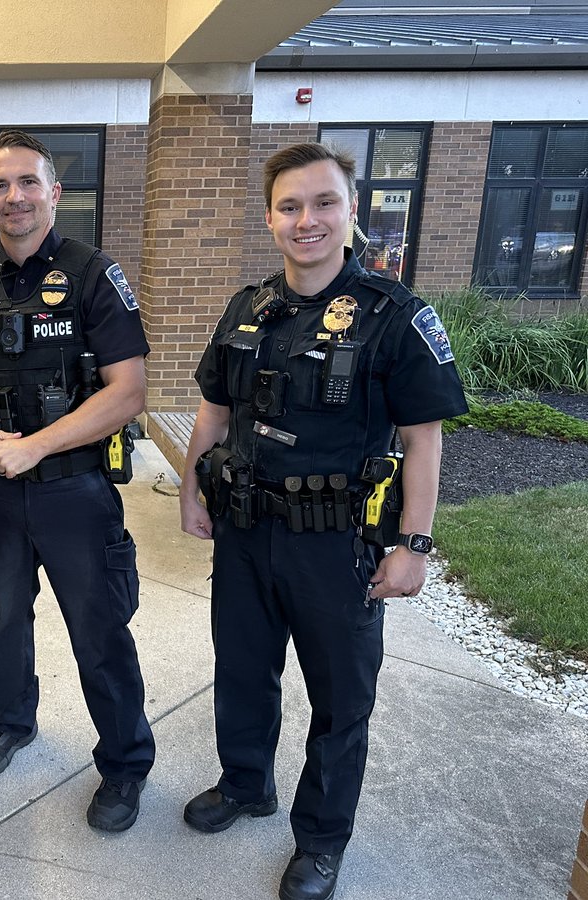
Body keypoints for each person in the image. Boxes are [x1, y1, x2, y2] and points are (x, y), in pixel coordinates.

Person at [178, 142, 467, 900]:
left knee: (340, 701)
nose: (307, 220)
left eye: (324, 203)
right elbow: (214, 407)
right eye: (290, 206)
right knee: (243, 673)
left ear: (351, 212)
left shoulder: (395, 317)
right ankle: (245, 786)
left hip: (337, 545)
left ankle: (322, 841)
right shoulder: (250, 308)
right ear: (270, 217)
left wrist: (413, 544)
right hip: (245, 532)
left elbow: (423, 439)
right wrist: (189, 490)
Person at [0, 130, 155, 832]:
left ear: (54, 192)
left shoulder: (91, 274)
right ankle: (11, 723)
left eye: (27, 182)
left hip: (73, 493)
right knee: (4, 617)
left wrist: (35, 448)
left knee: (99, 630)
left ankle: (124, 764)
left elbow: (128, 391)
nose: (13, 197)